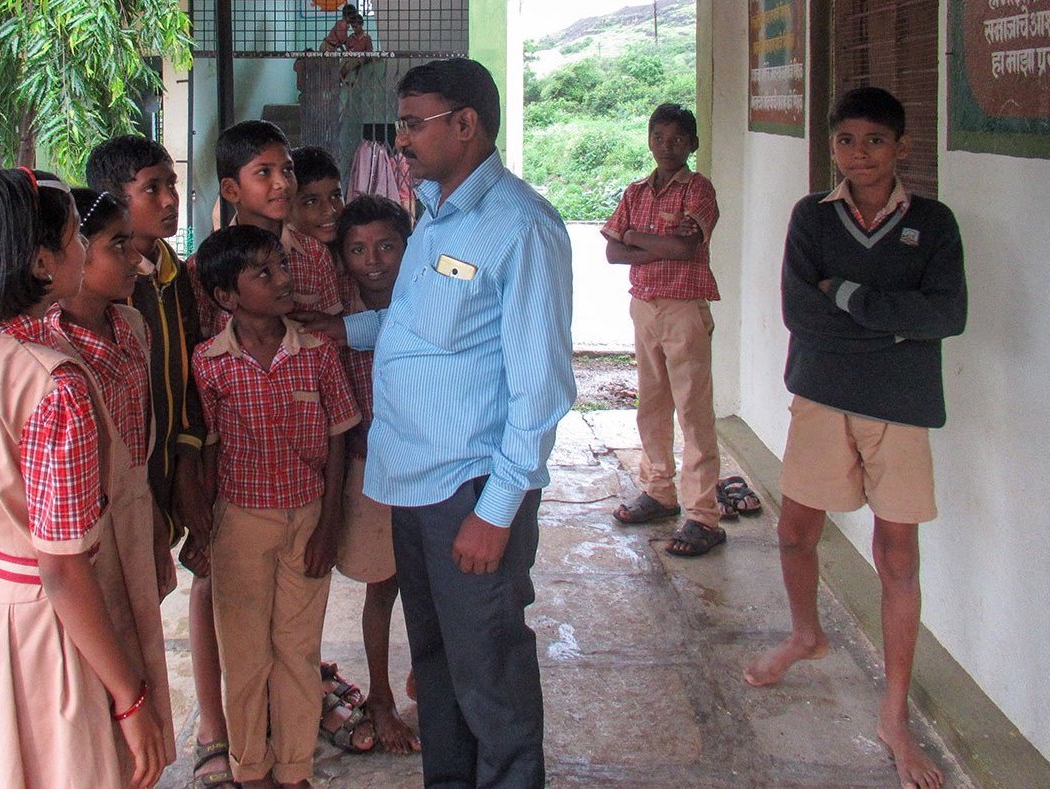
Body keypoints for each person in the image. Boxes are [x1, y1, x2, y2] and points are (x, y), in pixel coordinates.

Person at [301, 57, 574, 786]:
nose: (401, 140)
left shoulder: (519, 227)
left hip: (471, 487)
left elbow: (540, 388)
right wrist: (346, 332)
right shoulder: (433, 209)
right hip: (414, 486)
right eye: (401, 124)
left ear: (465, 124)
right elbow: (426, 325)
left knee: (490, 674)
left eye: (415, 123)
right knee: (439, 666)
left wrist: (495, 510)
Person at [744, 87, 966, 789]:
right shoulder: (811, 216)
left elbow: (947, 315)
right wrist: (891, 324)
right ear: (831, 148)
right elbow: (796, 310)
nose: (858, 153)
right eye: (845, 140)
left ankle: (893, 715)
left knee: (896, 555)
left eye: (875, 140)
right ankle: (805, 634)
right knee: (793, 532)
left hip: (899, 408)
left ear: (902, 147)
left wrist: (844, 294)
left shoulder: (933, 223)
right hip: (820, 393)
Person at [0, 168, 172, 789]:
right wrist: (129, 697)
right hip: (44, 629)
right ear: (41, 263)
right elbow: (61, 569)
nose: (86, 250)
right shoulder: (55, 383)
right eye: (74, 239)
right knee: (63, 763)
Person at [85, 137, 234, 789]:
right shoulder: (98, 291)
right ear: (115, 200)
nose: (171, 199)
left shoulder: (174, 274)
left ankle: (147, 748)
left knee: (145, 607)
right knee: (114, 619)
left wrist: (189, 457)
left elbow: (188, 371)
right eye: (153, 188)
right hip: (113, 491)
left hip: (164, 472)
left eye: (171, 184)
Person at [192, 225, 360, 788]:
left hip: (308, 518)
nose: (283, 279)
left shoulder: (315, 352)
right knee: (244, 658)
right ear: (226, 298)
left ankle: (294, 769)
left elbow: (339, 436)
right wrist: (203, 527)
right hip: (239, 523)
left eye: (281, 266)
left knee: (297, 651)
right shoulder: (209, 363)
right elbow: (207, 451)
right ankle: (250, 768)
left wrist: (330, 524)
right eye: (263, 273)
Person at [601, 103, 726, 557]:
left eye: (676, 139)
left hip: (684, 310)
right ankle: (658, 491)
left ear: (692, 143)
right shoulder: (636, 192)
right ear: (649, 140)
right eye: (658, 137)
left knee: (693, 410)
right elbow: (613, 253)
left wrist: (636, 238)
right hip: (645, 308)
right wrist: (654, 246)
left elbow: (686, 246)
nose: (666, 146)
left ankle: (703, 515)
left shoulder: (698, 190)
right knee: (651, 405)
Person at [49, 187, 179, 602]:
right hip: (83, 540)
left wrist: (154, 521)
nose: (135, 260)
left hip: (137, 515)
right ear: (76, 251)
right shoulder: (51, 350)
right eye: (118, 246)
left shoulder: (133, 325)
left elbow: (138, 450)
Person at [331, 194, 421, 755]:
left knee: (434, 582)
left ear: (408, 248)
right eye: (358, 249)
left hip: (430, 462)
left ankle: (428, 677)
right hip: (369, 466)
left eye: (387, 246)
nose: (374, 261)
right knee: (381, 586)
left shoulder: (424, 298)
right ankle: (381, 699)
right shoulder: (334, 315)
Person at [188, 121, 342, 339]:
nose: (282, 183)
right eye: (263, 172)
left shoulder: (315, 255)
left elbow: (331, 335)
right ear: (231, 190)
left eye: (288, 170)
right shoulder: (202, 266)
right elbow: (202, 342)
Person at [288, 145, 352, 308]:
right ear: (287, 208)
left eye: (336, 196)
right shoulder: (286, 261)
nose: (330, 210)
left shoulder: (352, 248)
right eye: (311, 201)